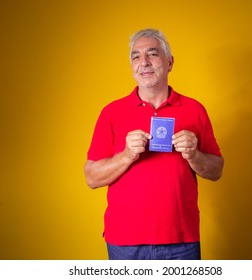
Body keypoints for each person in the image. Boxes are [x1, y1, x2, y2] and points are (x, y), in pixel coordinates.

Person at [84, 28, 224, 260]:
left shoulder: (195, 110)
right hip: (125, 241)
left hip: (182, 240)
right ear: (131, 67)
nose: (144, 62)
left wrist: (194, 155)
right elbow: (91, 178)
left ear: (169, 62)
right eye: (136, 56)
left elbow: (217, 171)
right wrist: (127, 155)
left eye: (153, 54)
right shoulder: (111, 113)